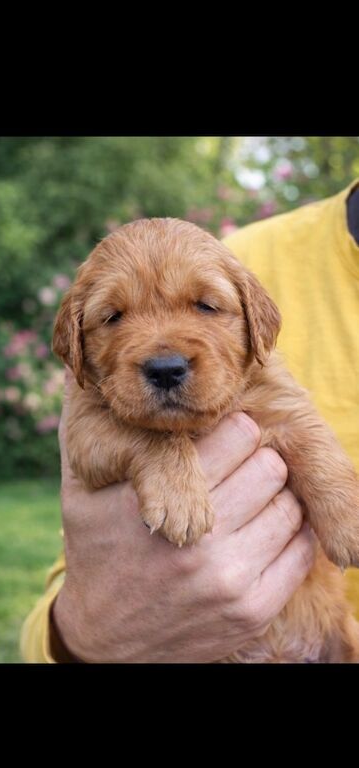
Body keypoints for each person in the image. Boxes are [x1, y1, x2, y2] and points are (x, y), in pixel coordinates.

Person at [20, 178, 359, 663]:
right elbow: (88, 451)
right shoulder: (98, 404)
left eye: (205, 306)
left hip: (329, 638)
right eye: (113, 317)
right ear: (75, 344)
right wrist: (154, 450)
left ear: (257, 324)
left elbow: (298, 427)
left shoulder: (261, 370)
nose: (164, 357)